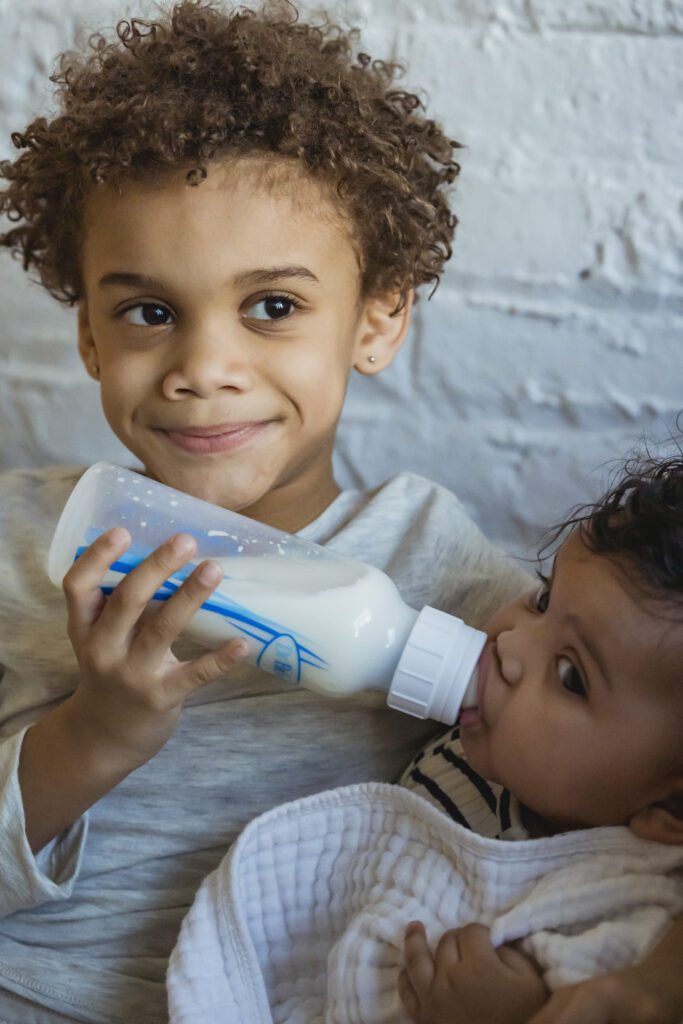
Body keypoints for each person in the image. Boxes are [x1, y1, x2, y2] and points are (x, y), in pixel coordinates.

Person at [0, 1, 679, 1020]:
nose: (204, 370)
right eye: (148, 312)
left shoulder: (457, 591)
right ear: (90, 338)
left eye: (271, 306)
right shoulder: (24, 547)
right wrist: (92, 736)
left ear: (377, 316)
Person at [165, 453, 683, 1024]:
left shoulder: (628, 924)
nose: (510, 642)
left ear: (669, 804)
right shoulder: (461, 767)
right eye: (542, 598)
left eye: (570, 676)